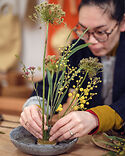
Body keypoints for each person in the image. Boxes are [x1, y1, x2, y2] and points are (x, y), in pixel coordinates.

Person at [20, 0, 125, 142]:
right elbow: (51, 85)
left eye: (100, 32)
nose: (91, 41)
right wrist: (34, 107)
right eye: (83, 30)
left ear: (122, 22)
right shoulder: (78, 48)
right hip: (91, 143)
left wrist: (96, 117)